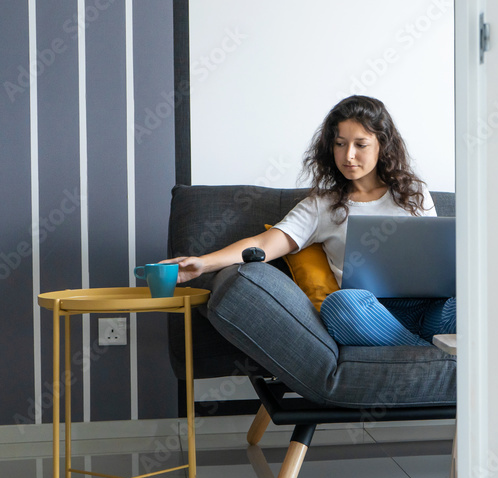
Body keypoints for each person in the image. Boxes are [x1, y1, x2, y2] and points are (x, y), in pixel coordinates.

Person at [163, 95, 455, 347]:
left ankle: (421, 343)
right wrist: (202, 263)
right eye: (340, 144)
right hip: (367, 311)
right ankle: (427, 350)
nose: (348, 155)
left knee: (471, 302)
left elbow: (432, 258)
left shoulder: (414, 193)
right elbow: (262, 244)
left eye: (360, 144)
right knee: (339, 306)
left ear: (382, 145)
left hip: (430, 309)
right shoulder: (322, 205)